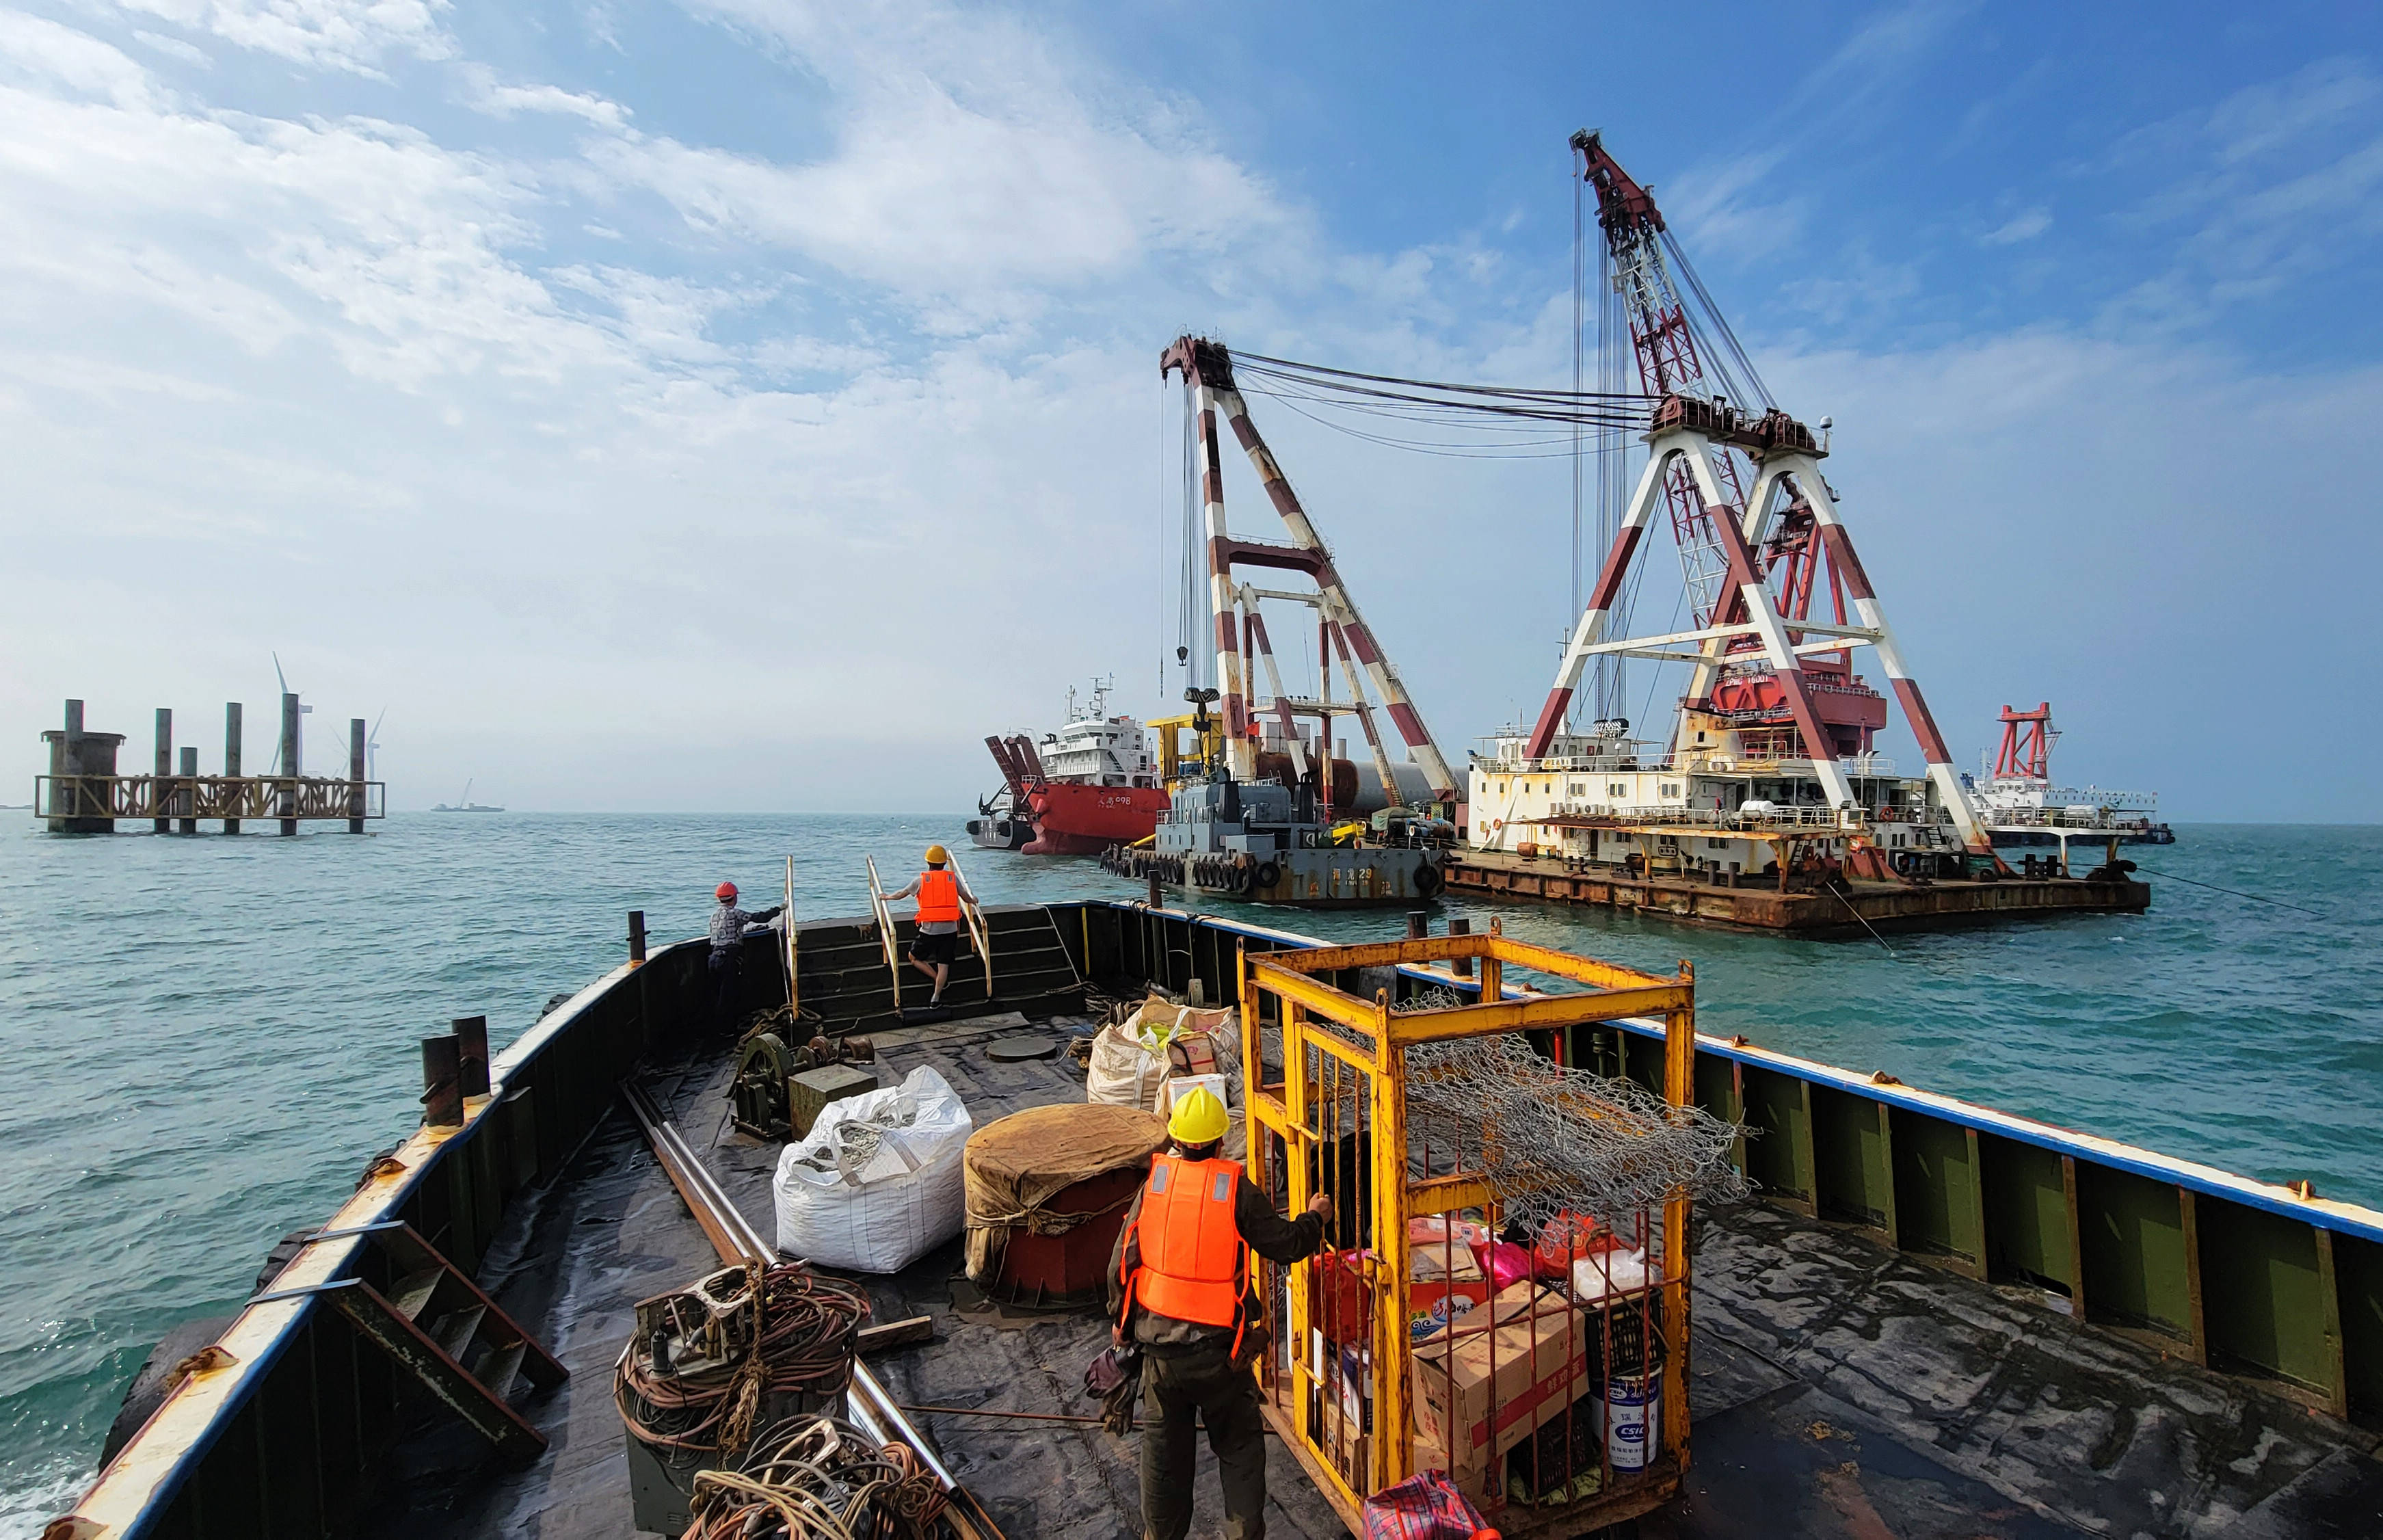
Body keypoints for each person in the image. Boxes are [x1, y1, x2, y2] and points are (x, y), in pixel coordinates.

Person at [1109, 1087, 1333, 1540]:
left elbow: (1120, 1263)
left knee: (1163, 1463)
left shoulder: (1153, 1185)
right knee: (1238, 1450)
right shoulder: (1233, 1190)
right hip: (1218, 1357)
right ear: (1220, 1140)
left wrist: (1120, 1326)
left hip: (1159, 1358)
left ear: (1174, 1137)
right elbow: (1286, 1245)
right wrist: (1316, 1217)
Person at [879, 845, 974, 1006]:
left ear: (928, 862)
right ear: (945, 863)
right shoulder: (953, 879)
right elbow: (965, 897)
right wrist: (974, 900)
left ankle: (938, 980)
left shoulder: (920, 881)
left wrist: (886, 897)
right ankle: (935, 998)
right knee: (943, 964)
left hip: (929, 930)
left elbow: (901, 894)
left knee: (914, 957)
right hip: (951, 930)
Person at [707, 881, 781, 1030]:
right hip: (728, 959)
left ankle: (716, 1029)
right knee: (728, 996)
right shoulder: (735, 913)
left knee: (717, 996)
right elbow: (760, 917)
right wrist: (778, 909)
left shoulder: (714, 915)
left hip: (713, 958)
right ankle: (726, 1030)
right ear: (734, 897)